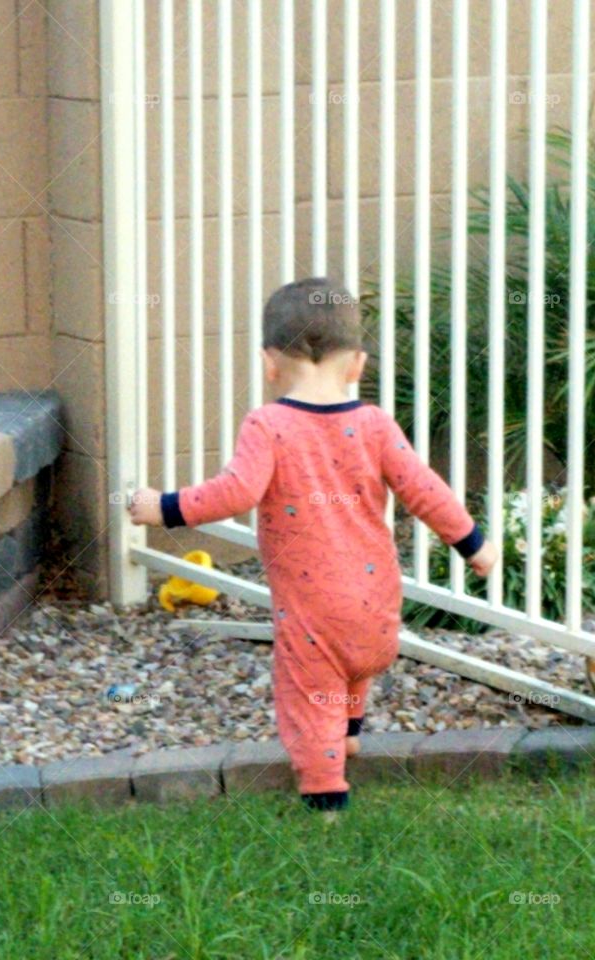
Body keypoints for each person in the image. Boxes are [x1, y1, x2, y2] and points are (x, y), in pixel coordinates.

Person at [128, 277, 498, 813]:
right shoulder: (374, 424)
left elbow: (235, 492)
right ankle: (348, 734)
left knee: (308, 694)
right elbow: (424, 489)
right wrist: (475, 545)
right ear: (357, 365)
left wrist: (161, 506)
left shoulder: (269, 425)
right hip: (378, 602)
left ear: (269, 363)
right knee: (354, 668)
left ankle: (325, 795)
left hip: (313, 608)